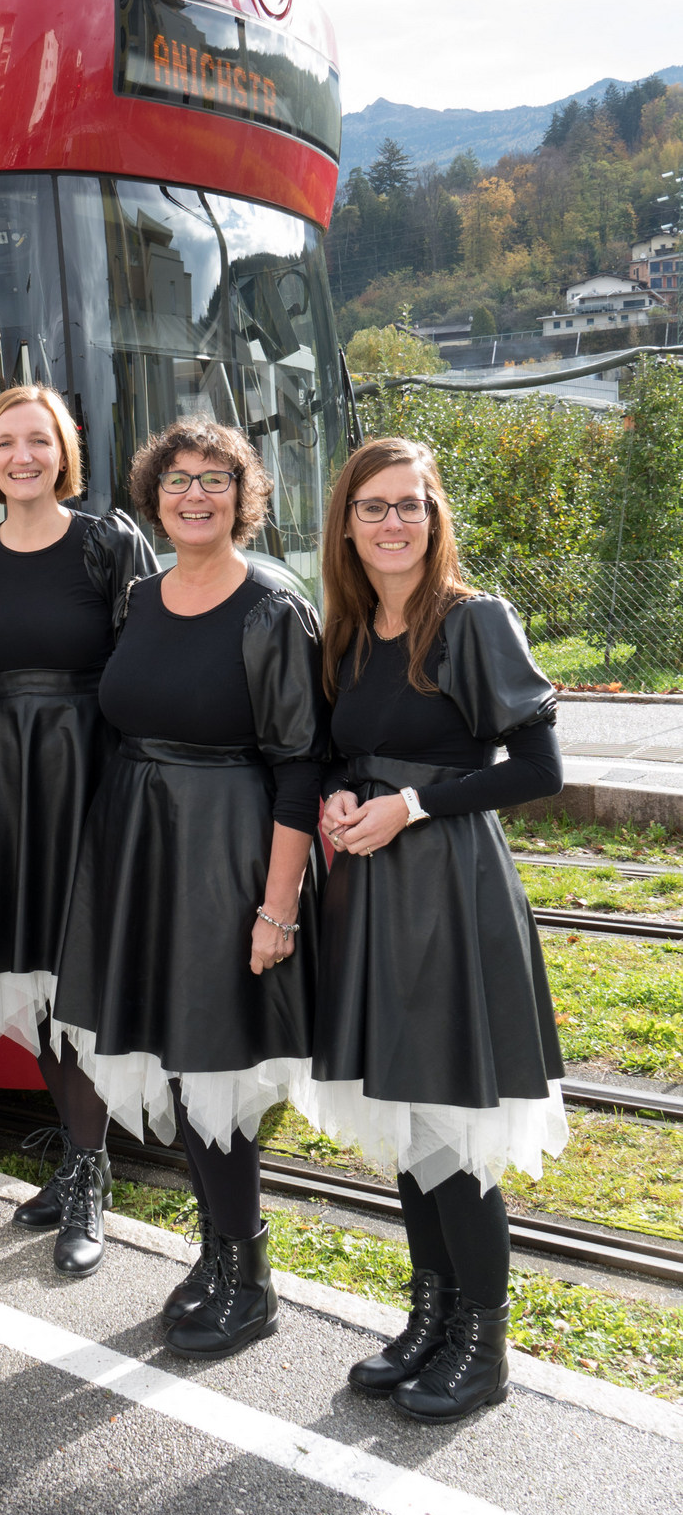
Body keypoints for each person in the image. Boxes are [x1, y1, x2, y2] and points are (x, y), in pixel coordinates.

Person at [302, 437, 566, 1422]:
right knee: (411, 1120)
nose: (394, 522)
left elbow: (538, 771)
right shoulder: (351, 629)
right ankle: (431, 1313)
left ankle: (481, 1344)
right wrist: (338, 798)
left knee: (453, 1117)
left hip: (448, 886)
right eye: (373, 507)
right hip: (371, 894)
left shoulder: (472, 620)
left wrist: (411, 809)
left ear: (434, 513)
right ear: (347, 524)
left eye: (410, 504)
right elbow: (348, 752)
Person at [51, 418, 326, 1356]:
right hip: (141, 845)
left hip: (226, 853)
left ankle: (249, 1278)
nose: (195, 495)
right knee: (175, 1058)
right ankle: (215, 1254)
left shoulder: (272, 608)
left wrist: (275, 908)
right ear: (153, 495)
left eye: (215, 480)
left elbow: (300, 765)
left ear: (243, 497)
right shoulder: (140, 597)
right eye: (178, 480)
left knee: (218, 1066)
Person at [0, 385, 156, 1278]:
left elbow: (144, 667)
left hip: (87, 779)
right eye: (6, 443)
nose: (22, 457)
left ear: (63, 452)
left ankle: (88, 1178)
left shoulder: (108, 544)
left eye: (39, 441)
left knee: (78, 979)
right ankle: (83, 1160)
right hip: (3, 783)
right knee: (32, 978)